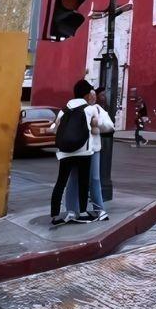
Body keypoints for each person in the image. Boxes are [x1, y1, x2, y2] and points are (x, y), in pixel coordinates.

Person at [49, 80, 101, 225]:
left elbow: (55, 127)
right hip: (83, 151)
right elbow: (96, 127)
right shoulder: (90, 109)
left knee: (61, 182)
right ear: (86, 94)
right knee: (83, 182)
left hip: (65, 152)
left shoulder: (64, 109)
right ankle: (83, 213)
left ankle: (55, 215)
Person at [63, 82, 114, 221]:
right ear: (86, 95)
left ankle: (93, 210)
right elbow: (109, 126)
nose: (93, 96)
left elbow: (109, 126)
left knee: (89, 179)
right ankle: (76, 210)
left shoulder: (92, 109)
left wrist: (96, 123)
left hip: (86, 149)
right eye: (91, 93)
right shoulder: (76, 108)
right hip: (81, 149)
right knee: (79, 179)